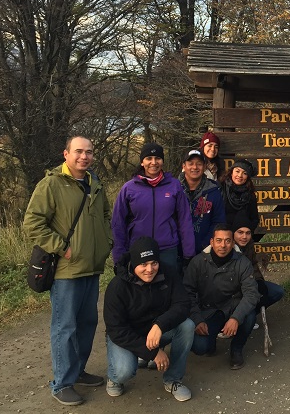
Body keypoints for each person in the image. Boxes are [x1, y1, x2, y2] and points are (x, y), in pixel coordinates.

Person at [23, 136, 112, 406]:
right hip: (66, 271)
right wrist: (63, 248)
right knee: (65, 327)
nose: (84, 157)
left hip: (92, 268)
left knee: (87, 324)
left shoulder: (94, 183)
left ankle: (78, 371)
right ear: (66, 154)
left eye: (89, 152)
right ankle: (61, 383)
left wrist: (106, 241)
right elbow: (32, 223)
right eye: (78, 152)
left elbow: (105, 215)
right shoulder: (51, 184)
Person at [103, 236, 194, 402]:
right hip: (127, 335)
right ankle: (114, 377)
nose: (149, 269)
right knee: (124, 372)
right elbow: (116, 329)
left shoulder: (168, 274)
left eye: (154, 263)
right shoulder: (117, 286)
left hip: (155, 331)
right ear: (133, 264)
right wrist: (153, 352)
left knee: (187, 326)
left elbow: (183, 304)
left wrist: (160, 325)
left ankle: (173, 379)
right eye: (143, 264)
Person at [111, 143, 195, 277]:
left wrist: (189, 254)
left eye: (158, 158)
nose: (153, 162)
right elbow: (118, 223)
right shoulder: (129, 188)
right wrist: (119, 257)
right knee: (141, 295)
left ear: (162, 161)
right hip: (139, 250)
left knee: (167, 292)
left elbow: (185, 220)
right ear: (142, 162)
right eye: (149, 158)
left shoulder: (174, 185)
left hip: (167, 249)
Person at [184, 225, 260, 369]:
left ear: (232, 243)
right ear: (212, 242)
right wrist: (197, 319)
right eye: (219, 241)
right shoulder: (198, 262)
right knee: (200, 347)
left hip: (233, 307)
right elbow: (187, 293)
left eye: (227, 241)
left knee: (249, 316)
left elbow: (251, 294)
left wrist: (236, 318)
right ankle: (210, 343)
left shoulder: (242, 262)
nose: (223, 245)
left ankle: (236, 348)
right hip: (209, 310)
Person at [179, 148, 227, 252]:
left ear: (205, 166)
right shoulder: (174, 189)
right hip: (176, 249)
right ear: (184, 166)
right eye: (190, 163)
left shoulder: (214, 190)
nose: (195, 167)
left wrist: (205, 245)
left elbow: (218, 222)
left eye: (199, 164)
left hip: (205, 251)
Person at [232, 222, 285, 311]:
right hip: (236, 289)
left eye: (248, 233)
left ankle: (253, 311)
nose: (244, 237)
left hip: (250, 284)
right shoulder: (228, 248)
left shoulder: (249, 246)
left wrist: (259, 282)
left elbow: (254, 266)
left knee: (277, 291)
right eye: (240, 232)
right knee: (248, 321)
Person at [221, 159, 260, 235]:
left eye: (244, 173)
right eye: (237, 171)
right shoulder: (220, 188)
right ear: (231, 172)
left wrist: (245, 233)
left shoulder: (250, 195)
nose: (240, 176)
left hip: (241, 238)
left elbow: (254, 219)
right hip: (223, 236)